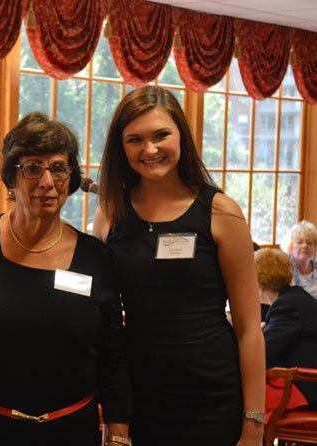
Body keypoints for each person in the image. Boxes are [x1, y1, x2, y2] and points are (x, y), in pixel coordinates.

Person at [92, 85, 265, 446]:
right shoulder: (111, 211)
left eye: (160, 135)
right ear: (121, 148)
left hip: (212, 397)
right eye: (135, 140)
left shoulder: (220, 211)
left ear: (181, 136)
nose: (150, 150)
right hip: (140, 395)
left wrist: (254, 423)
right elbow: (101, 314)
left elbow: (250, 329)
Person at [0, 111, 131, 446]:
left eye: (58, 168)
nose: (47, 182)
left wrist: (120, 433)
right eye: (32, 168)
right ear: (11, 177)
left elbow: (113, 354)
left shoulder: (96, 257)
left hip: (70, 431)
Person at [256, 248, 317, 420]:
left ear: (259, 281)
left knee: (242, 402)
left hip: (306, 386)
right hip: (302, 381)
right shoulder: (294, 298)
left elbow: (264, 352)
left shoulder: (288, 305)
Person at [284, 220, 317, 298]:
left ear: (315, 247)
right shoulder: (284, 268)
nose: (305, 246)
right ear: (291, 245)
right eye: (299, 242)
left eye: (309, 243)